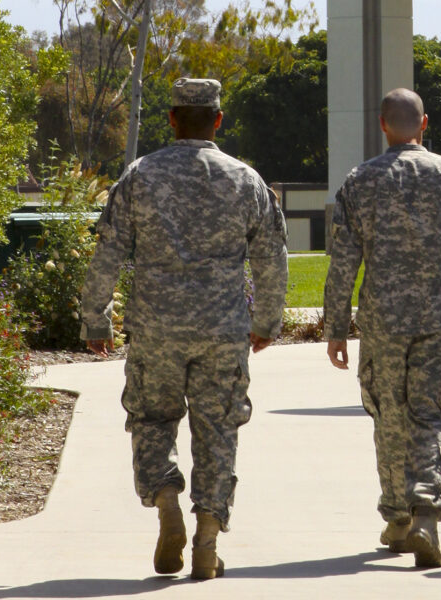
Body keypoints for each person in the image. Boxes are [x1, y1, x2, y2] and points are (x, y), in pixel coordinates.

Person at [80, 77, 288, 580]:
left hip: (157, 328)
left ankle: (168, 502)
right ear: (218, 120)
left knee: (152, 421)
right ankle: (209, 537)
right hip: (222, 329)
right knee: (217, 430)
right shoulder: (245, 179)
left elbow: (108, 249)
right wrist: (266, 322)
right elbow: (271, 259)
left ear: (171, 118)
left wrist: (96, 317)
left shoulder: (139, 176)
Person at [324, 87, 441, 569]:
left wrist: (336, 325)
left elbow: (342, 262)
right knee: (430, 415)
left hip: (382, 319)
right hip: (439, 318)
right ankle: (424, 514)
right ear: (424, 123)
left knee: (387, 415)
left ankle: (398, 516)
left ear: (382, 125)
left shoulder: (361, 181)